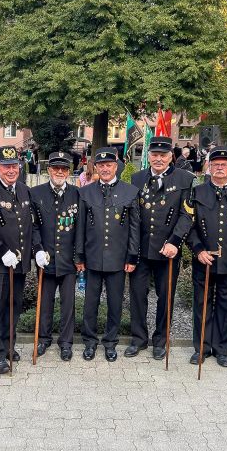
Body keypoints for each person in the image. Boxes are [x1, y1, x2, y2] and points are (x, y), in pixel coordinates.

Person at [0, 146, 42, 374]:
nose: (11, 171)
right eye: (6, 166)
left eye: (14, 166)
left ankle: (8, 346)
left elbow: (32, 225)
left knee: (13, 307)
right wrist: (2, 251)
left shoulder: (24, 190)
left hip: (19, 262)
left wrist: (38, 250)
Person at [125, 137, 194, 360]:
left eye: (163, 155)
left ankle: (160, 341)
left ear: (170, 157)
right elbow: (133, 216)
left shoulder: (184, 178)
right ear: (149, 156)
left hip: (168, 250)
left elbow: (187, 215)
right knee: (137, 295)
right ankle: (138, 339)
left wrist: (175, 241)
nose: (158, 159)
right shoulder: (137, 178)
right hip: (141, 250)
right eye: (154, 155)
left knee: (166, 297)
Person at [186, 147, 227, 367]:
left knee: (226, 306)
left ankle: (222, 350)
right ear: (209, 167)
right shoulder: (197, 192)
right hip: (203, 260)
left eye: (224, 164)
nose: (219, 168)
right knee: (201, 305)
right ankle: (201, 348)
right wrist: (198, 250)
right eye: (215, 164)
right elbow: (189, 225)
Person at [76, 147, 139, 362]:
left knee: (115, 303)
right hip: (92, 257)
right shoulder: (85, 192)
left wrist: (132, 256)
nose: (105, 169)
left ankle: (110, 342)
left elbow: (134, 228)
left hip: (118, 258)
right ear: (95, 167)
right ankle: (90, 342)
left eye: (109, 165)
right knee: (90, 303)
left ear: (116, 166)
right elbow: (80, 227)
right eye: (101, 165)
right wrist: (79, 257)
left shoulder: (130, 192)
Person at [30, 152, 79, 361]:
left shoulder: (77, 194)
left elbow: (80, 228)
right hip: (46, 258)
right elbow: (33, 226)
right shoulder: (36, 193)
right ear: (49, 170)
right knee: (45, 302)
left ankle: (66, 343)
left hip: (68, 260)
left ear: (68, 172)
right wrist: (37, 249)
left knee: (68, 304)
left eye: (64, 169)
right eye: (56, 168)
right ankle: (43, 338)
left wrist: (79, 257)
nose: (60, 172)